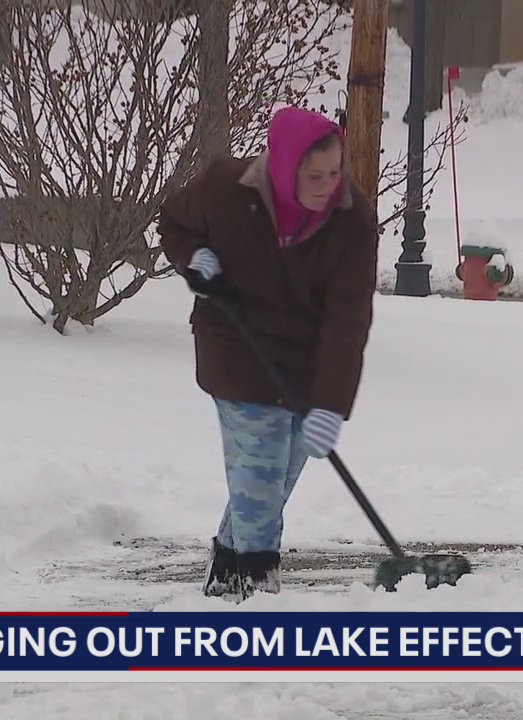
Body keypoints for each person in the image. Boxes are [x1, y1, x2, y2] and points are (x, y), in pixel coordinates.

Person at [155, 106, 380, 600]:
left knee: (273, 481)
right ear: (283, 167)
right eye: (314, 175)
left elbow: (348, 319)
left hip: (303, 362)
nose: (328, 185)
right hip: (236, 347)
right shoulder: (227, 188)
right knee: (260, 474)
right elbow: (173, 220)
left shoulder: (352, 217)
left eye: (335, 171)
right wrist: (196, 257)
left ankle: (226, 575)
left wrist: (330, 404)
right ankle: (259, 591)